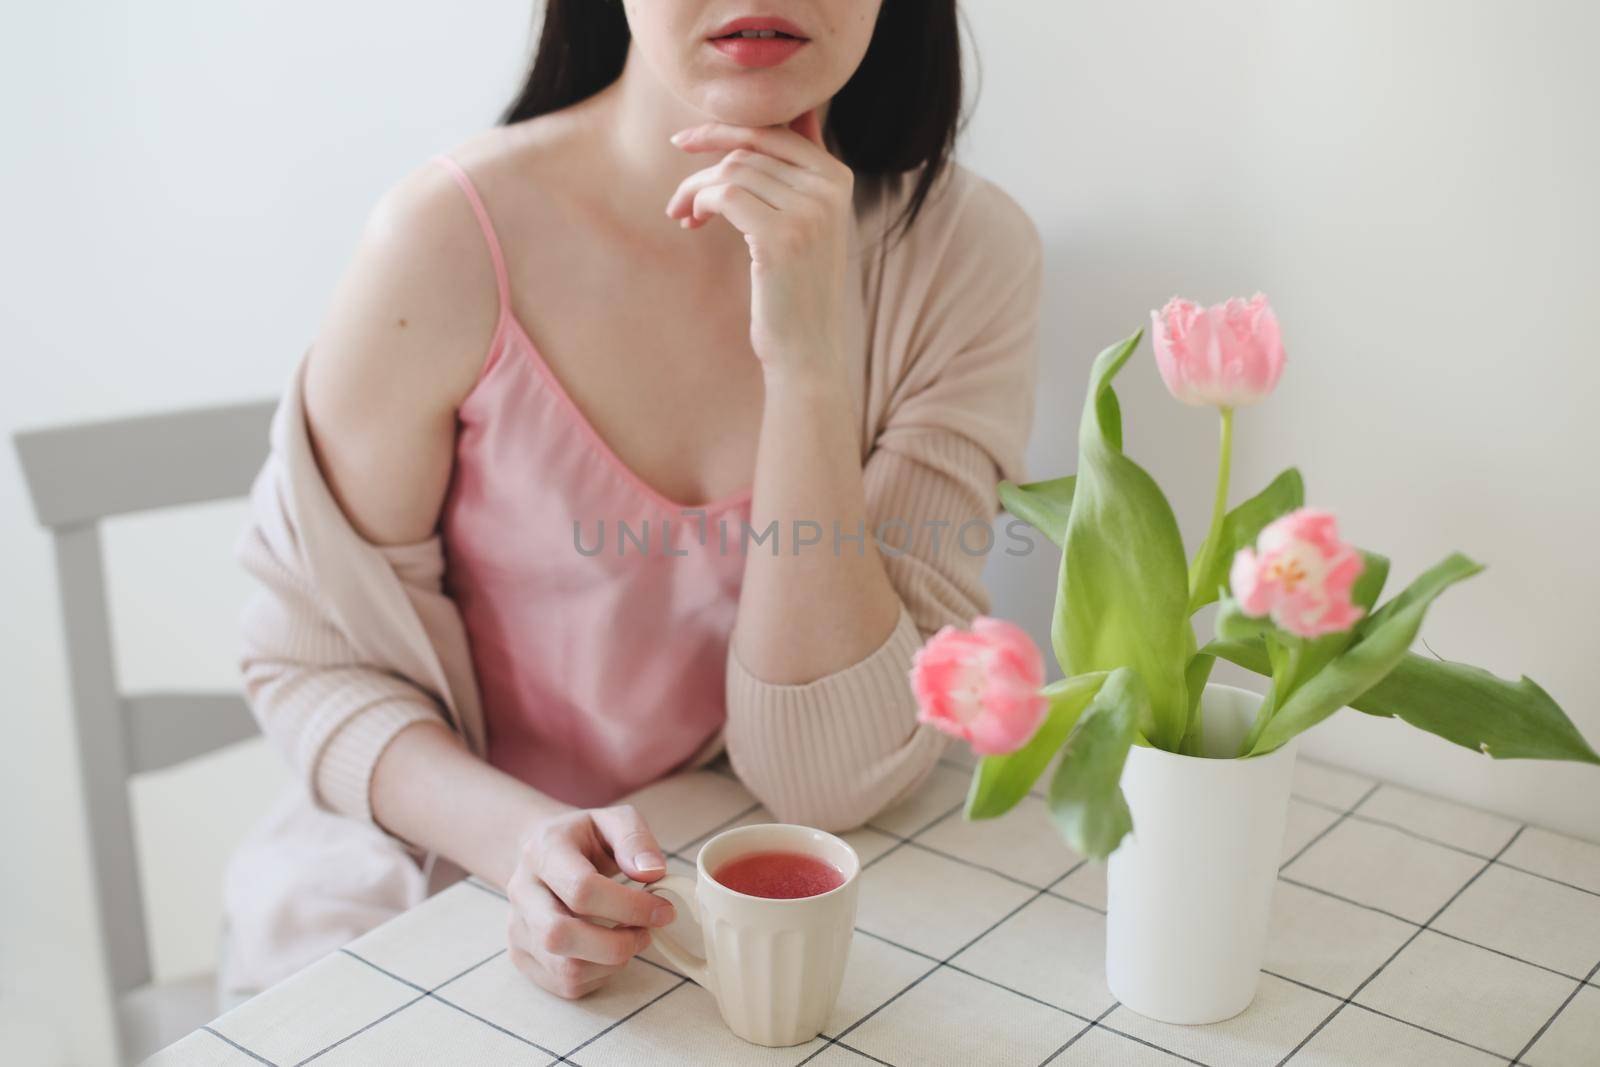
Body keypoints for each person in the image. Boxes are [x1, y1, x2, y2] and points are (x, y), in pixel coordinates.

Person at [220, 0, 1042, 1006]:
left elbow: (832, 779)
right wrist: (524, 842)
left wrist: (808, 363)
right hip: (418, 880)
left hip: (721, 893)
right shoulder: (444, 240)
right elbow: (307, 663)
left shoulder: (961, 257)